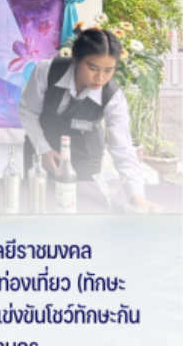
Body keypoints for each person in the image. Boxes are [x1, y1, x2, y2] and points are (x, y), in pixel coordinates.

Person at [19, 27, 160, 213]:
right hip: (41, 146)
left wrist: (137, 197)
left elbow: (123, 148)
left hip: (84, 155)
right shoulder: (47, 71)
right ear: (76, 59)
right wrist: (43, 149)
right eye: (92, 68)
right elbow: (28, 111)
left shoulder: (113, 96)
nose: (100, 78)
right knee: (36, 205)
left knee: (80, 210)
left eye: (108, 70)